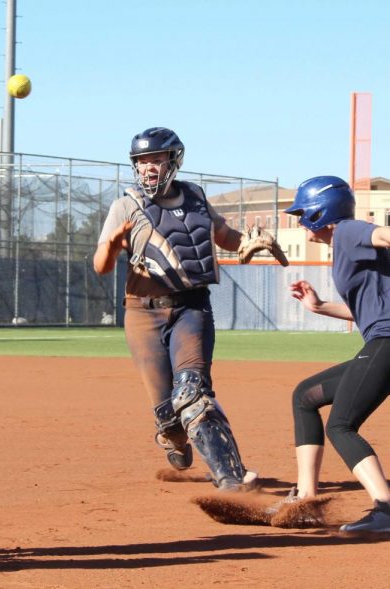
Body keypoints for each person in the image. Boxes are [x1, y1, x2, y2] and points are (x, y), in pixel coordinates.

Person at [93, 127, 285, 490]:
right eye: (141, 161)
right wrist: (114, 244)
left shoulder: (195, 198)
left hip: (192, 308)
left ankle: (230, 476)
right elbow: (100, 266)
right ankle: (173, 435)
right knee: (169, 414)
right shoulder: (126, 205)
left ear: (173, 160)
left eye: (155, 159)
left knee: (192, 392)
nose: (148, 168)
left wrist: (250, 242)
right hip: (143, 313)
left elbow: (224, 235)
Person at [281, 175, 390, 532]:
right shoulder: (342, 251)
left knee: (341, 425)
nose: (299, 221)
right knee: (304, 396)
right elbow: (364, 312)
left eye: (302, 212)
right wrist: (320, 306)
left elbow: (381, 234)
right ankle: (307, 500)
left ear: (319, 212)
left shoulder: (347, 232)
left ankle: (388, 511)